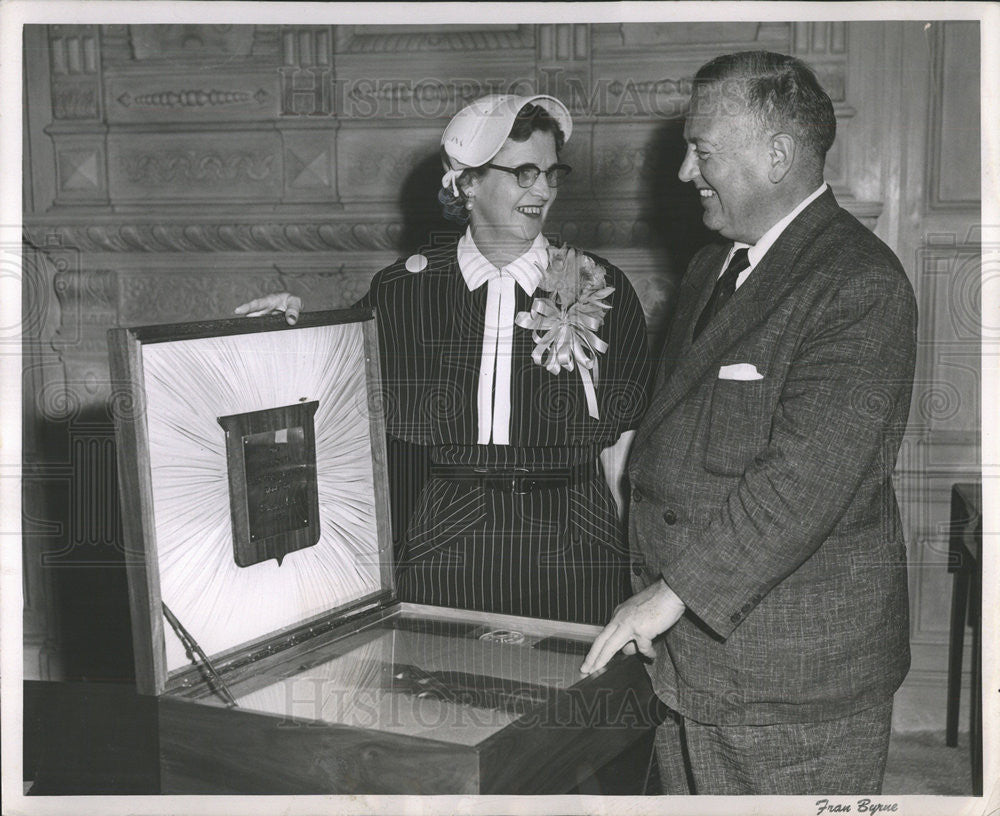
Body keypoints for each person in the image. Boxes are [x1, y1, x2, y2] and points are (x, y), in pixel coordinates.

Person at [580, 51, 917, 795]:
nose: (682, 173)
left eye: (700, 151)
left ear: (776, 154)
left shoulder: (859, 285)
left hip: (794, 687)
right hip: (696, 665)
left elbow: (803, 484)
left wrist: (665, 598)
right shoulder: (715, 267)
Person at [236, 94, 650, 627]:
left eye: (551, 173)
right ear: (468, 183)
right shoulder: (403, 290)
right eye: (524, 173)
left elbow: (630, 444)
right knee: (441, 686)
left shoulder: (600, 284)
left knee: (571, 696)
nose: (542, 191)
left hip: (575, 531)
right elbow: (324, 390)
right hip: (448, 527)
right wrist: (281, 330)